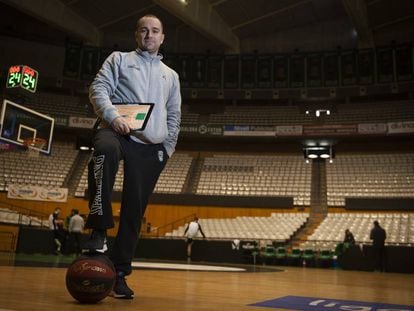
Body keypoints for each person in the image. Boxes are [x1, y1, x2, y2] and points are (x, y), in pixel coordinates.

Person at [82, 14, 181, 300]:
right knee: (105, 150)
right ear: (136, 35)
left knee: (134, 210)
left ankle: (120, 273)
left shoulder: (171, 76)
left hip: (151, 147)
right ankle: (98, 231)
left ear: (162, 37)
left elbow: (174, 115)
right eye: (143, 31)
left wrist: (167, 148)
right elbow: (98, 89)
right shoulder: (118, 59)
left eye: (155, 31)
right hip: (116, 131)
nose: (149, 35)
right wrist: (112, 117)